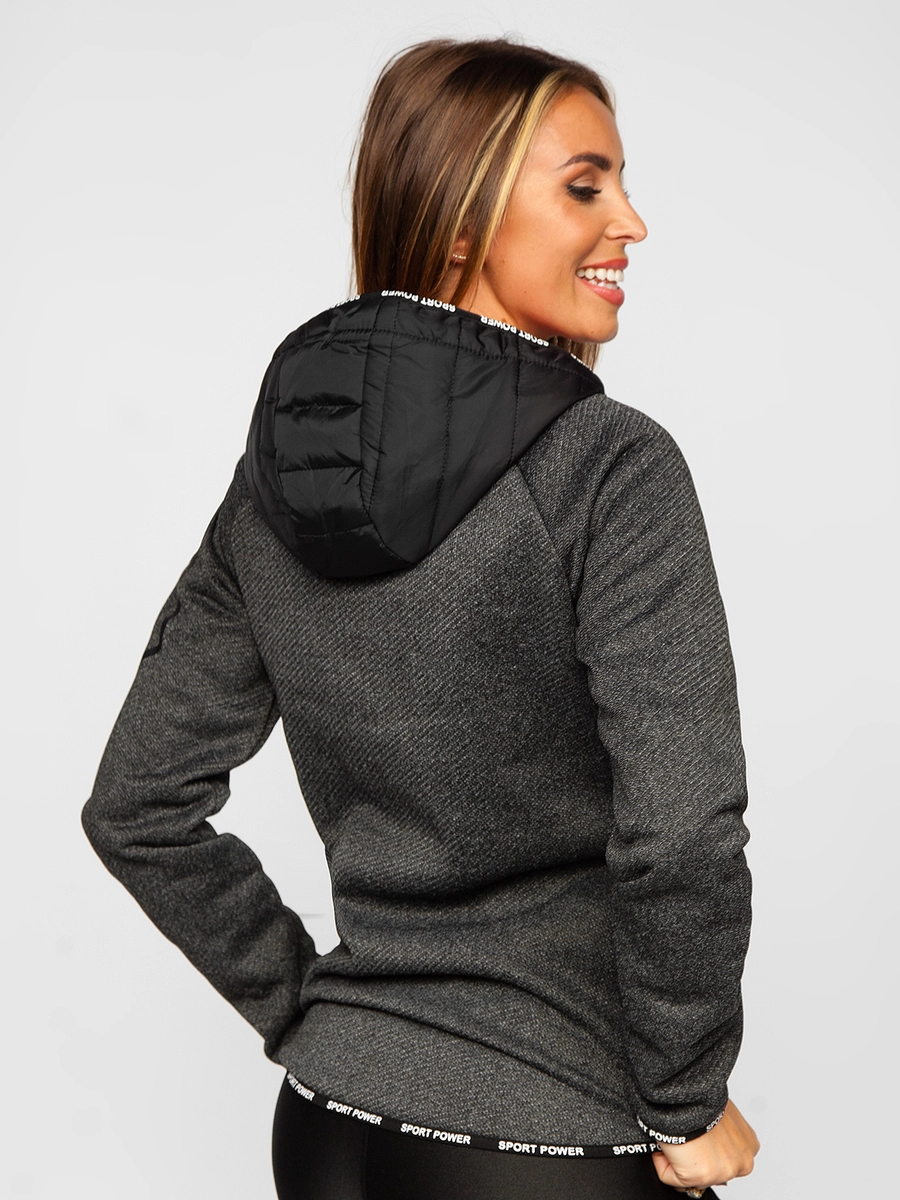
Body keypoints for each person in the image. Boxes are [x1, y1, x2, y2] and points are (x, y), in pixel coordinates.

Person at [82, 36, 760, 1200]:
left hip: (327, 1126)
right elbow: (683, 829)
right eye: (585, 186)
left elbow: (137, 806)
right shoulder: (607, 466)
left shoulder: (272, 484)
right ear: (457, 224)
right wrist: (688, 1099)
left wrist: (313, 1014)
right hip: (544, 1138)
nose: (632, 222)